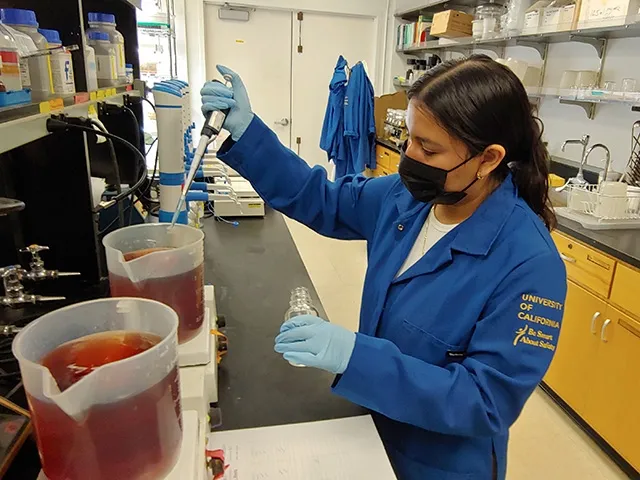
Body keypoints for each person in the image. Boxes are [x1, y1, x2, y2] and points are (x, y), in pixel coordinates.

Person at [201, 55, 567, 480]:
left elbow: (485, 402)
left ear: (488, 159)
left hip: (438, 462)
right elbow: (322, 198)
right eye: (410, 138)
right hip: (369, 423)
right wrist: (249, 135)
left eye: (428, 148)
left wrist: (355, 355)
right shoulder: (405, 197)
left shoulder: (530, 264)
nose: (408, 155)